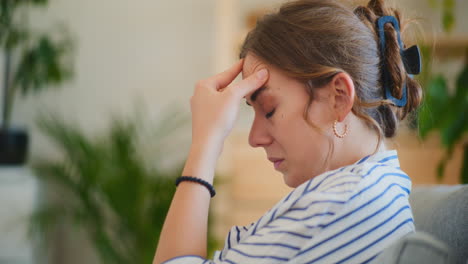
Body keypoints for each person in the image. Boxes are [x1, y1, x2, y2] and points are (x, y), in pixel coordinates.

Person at [153, 0, 423, 263]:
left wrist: (205, 143)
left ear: (338, 97)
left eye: (269, 109)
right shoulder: (364, 192)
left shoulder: (342, 205)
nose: (254, 138)